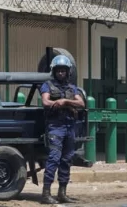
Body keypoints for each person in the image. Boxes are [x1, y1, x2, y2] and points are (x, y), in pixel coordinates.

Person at [39, 55, 85, 204]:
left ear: (68, 72)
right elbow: (46, 102)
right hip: (55, 127)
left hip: (70, 127)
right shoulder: (47, 85)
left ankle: (62, 193)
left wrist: (65, 101)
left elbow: (81, 103)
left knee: (67, 159)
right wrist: (58, 103)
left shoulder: (73, 88)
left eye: (63, 71)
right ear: (54, 71)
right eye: (58, 71)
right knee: (54, 158)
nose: (60, 73)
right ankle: (46, 194)